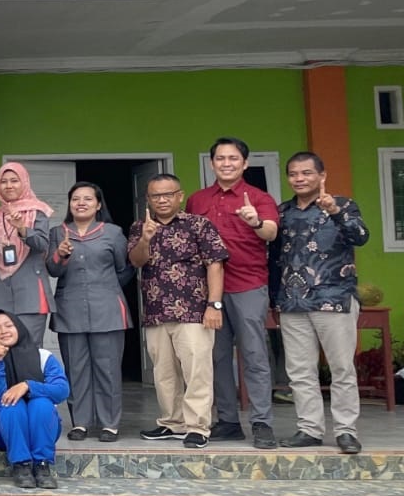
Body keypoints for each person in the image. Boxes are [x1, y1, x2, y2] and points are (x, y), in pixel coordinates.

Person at [186, 137, 280, 448]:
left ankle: (262, 422)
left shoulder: (258, 197)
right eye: (221, 158)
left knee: (254, 354)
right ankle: (227, 420)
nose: (227, 163)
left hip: (248, 285)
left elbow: (271, 231)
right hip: (207, 289)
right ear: (211, 163)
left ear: (245, 163)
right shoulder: (198, 200)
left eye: (233, 158)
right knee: (216, 356)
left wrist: (255, 222)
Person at [273, 152, 370, 454]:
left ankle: (345, 431)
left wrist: (337, 212)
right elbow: (274, 259)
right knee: (300, 371)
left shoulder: (343, 205)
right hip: (292, 302)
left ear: (321, 176)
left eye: (306, 173)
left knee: (342, 368)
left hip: (334, 299)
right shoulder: (283, 212)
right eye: (293, 174)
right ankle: (309, 429)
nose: (299, 179)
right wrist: (272, 298)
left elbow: (361, 236)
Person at [130, 172, 229, 449]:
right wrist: (146, 239)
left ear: (179, 196)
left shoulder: (198, 225)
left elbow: (215, 265)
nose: (161, 200)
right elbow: (136, 261)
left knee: (197, 370)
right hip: (156, 312)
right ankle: (172, 423)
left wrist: (214, 305)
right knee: (163, 373)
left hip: (194, 312)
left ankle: (198, 426)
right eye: (155, 196)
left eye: (167, 194)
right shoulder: (140, 227)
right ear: (148, 199)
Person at [45, 182, 133, 442]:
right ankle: (80, 423)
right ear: (70, 204)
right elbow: (52, 270)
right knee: (76, 368)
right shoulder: (57, 233)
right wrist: (60, 255)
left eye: (87, 199)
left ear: (98, 205)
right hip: (69, 309)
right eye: (75, 199)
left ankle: (109, 424)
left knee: (107, 370)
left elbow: (125, 269)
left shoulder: (113, 233)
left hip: (107, 310)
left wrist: (108, 290)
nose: (81, 203)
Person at [0, 310, 71, 489]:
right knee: (10, 405)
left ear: (20, 328)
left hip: (42, 428)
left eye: (9, 325)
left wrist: (28, 386)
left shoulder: (43, 357)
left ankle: (42, 465)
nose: (3, 331)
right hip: (3, 431)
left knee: (42, 404)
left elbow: (62, 390)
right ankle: (21, 465)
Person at [0, 163, 56, 345]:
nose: (9, 186)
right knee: (1, 349)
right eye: (3, 181)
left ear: (24, 182)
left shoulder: (38, 212)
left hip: (31, 292)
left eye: (14, 181)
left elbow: (42, 245)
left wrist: (23, 229)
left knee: (30, 348)